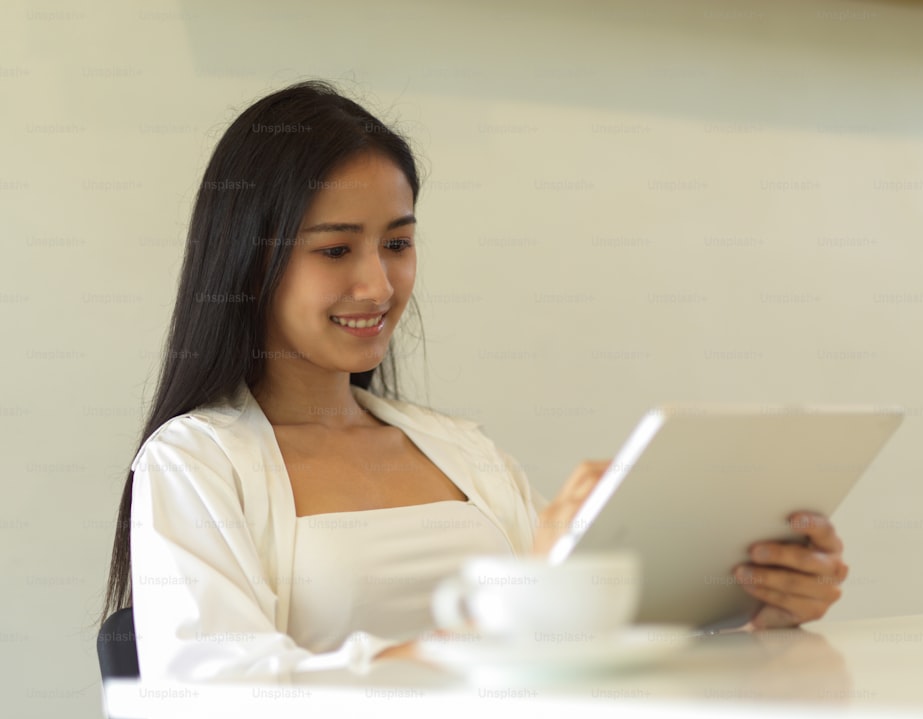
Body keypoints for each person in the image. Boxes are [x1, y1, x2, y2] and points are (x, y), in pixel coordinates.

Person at [101, 80, 849, 682]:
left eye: (397, 243)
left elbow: (573, 643)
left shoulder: (461, 450)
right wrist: (510, 615)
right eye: (335, 250)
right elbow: (216, 701)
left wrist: (750, 613)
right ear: (247, 260)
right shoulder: (195, 462)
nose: (378, 284)